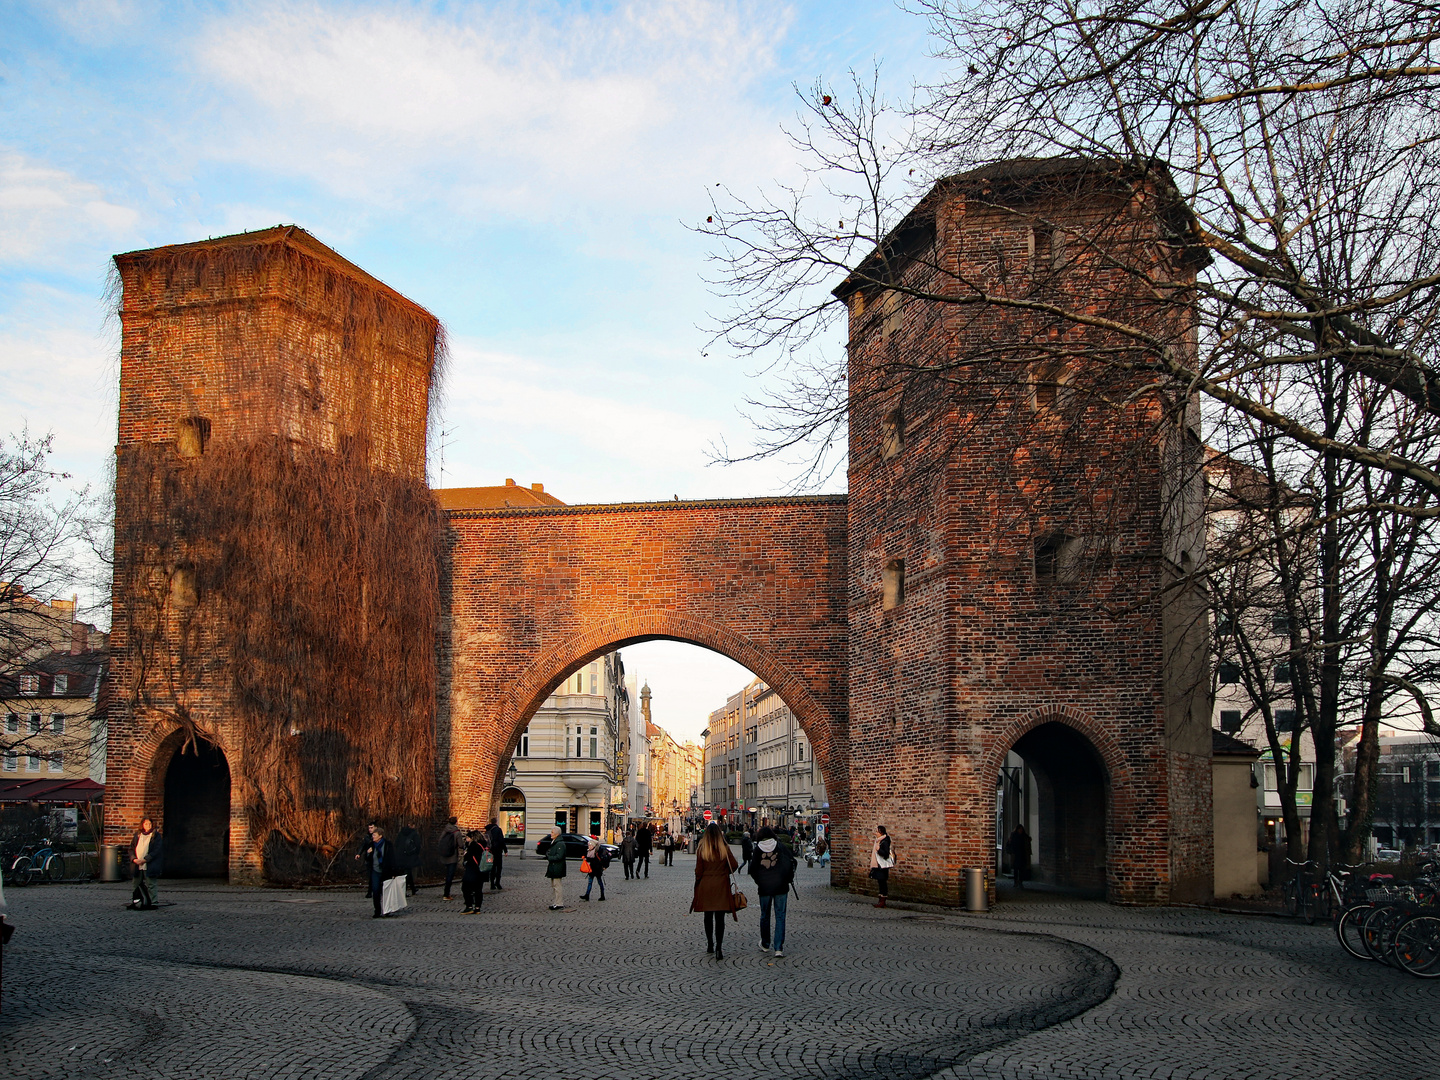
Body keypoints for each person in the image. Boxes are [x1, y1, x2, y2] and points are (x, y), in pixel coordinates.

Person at [691, 822, 739, 959]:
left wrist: (699, 881)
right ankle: (719, 947)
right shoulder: (723, 848)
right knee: (720, 918)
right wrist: (724, 873)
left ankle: (710, 944)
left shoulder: (702, 848)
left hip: (706, 885)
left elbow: (699, 870)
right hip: (721, 885)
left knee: (707, 916)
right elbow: (734, 865)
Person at [748, 825, 796, 956]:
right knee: (780, 916)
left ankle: (765, 943)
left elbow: (752, 869)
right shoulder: (780, 846)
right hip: (780, 886)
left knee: (765, 915)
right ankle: (779, 947)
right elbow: (791, 861)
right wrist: (787, 878)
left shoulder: (758, 850)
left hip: (765, 887)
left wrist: (760, 881)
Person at [359, 823, 399, 918]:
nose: (372, 837)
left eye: (374, 835)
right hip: (375, 871)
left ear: (380, 836)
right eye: (372, 835)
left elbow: (392, 858)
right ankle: (377, 911)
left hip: (386, 871)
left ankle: (387, 910)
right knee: (376, 890)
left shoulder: (388, 845)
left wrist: (394, 872)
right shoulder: (371, 845)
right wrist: (368, 854)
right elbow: (368, 859)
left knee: (386, 892)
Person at [128, 817, 164, 910]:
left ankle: (153, 902)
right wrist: (134, 859)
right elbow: (131, 848)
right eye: (146, 824)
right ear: (142, 825)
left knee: (151, 883)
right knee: (136, 883)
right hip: (137, 863)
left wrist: (146, 859)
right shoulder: (138, 835)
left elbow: (156, 850)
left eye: (150, 824)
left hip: (148, 864)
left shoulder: (155, 835)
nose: (148, 826)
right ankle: (136, 901)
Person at [461, 829, 487, 913]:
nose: (466, 839)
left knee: (465, 888)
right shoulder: (484, 845)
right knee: (478, 890)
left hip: (472, 870)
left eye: (467, 838)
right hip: (482, 870)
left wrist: (466, 853)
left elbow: (467, 858)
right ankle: (477, 908)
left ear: (472, 838)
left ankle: (469, 906)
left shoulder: (473, 846)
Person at [869, 825, 894, 907]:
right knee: (880, 882)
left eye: (877, 832)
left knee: (883, 883)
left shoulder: (884, 841)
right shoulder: (878, 840)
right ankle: (880, 900)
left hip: (882, 866)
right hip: (878, 865)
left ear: (881, 833)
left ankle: (882, 901)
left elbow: (885, 853)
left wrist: (878, 850)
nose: (875, 833)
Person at [439, 815, 463, 900]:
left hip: (444, 855)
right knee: (450, 875)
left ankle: (446, 893)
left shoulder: (445, 830)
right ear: (456, 822)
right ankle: (446, 894)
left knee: (446, 874)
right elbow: (461, 845)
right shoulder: (456, 832)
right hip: (452, 856)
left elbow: (440, 841)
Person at [544, 825, 567, 909]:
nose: (551, 834)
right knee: (554, 886)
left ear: (557, 834)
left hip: (557, 867)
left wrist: (550, 857)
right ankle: (556, 902)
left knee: (557, 886)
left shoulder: (560, 843)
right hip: (554, 867)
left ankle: (559, 903)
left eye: (552, 832)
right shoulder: (555, 842)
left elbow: (559, 856)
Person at [397, 823, 422, 895]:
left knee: (408, 871)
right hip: (410, 855)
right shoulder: (414, 834)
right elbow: (417, 845)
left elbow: (397, 843)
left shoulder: (401, 833)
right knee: (407, 873)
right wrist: (415, 853)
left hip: (401, 855)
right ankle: (403, 890)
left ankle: (413, 888)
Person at [581, 835, 607, 901]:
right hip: (591, 870)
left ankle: (602, 895)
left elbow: (596, 861)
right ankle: (587, 895)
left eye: (590, 845)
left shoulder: (596, 852)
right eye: (588, 845)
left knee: (600, 883)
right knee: (590, 882)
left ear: (593, 846)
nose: (589, 847)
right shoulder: (589, 852)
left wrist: (587, 859)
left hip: (597, 870)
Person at [1006, 823, 1032, 889]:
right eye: (1019, 829)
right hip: (1016, 854)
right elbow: (1009, 844)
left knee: (1021, 869)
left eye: (1021, 829)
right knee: (1016, 869)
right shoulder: (1014, 836)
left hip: (1022, 854)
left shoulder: (1024, 836)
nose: (1020, 831)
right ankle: (1016, 881)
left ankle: (1020, 881)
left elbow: (1028, 843)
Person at [486, 817, 508, 890]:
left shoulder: (487, 830)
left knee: (492, 867)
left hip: (490, 851)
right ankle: (497, 883)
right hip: (497, 851)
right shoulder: (498, 830)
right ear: (496, 822)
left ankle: (492, 884)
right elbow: (501, 840)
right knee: (498, 867)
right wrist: (505, 850)